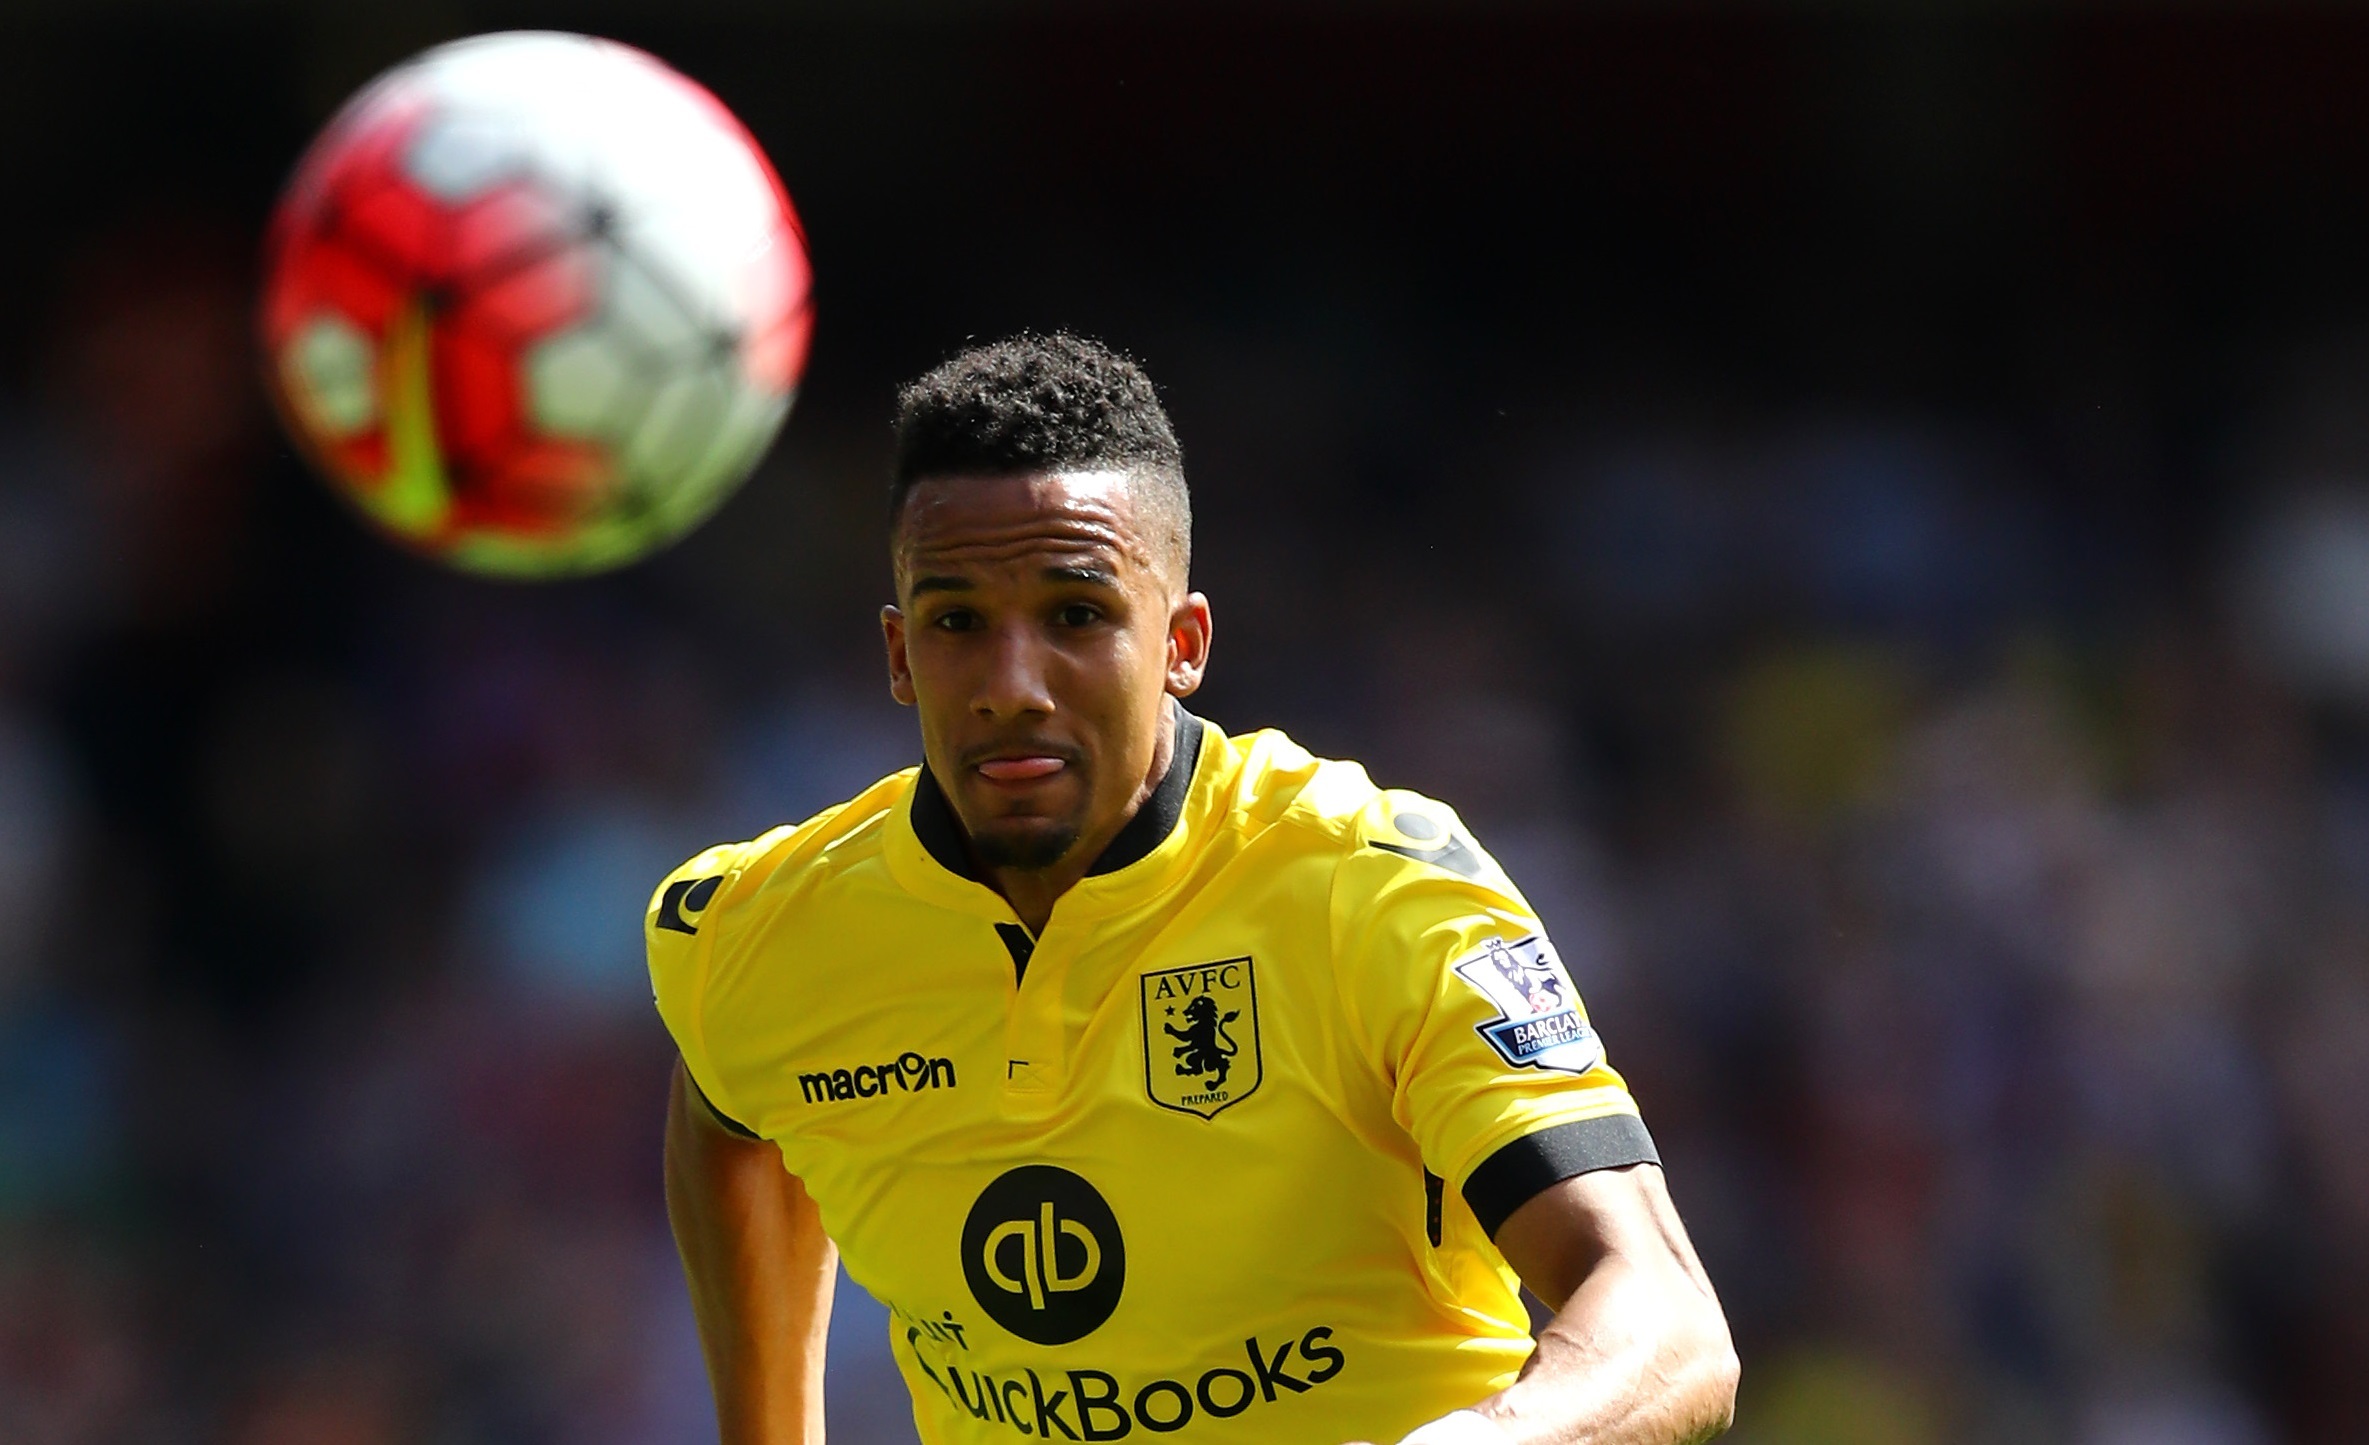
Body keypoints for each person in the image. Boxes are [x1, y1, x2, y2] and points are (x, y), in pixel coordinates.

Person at [650, 333, 1738, 1445]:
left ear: (1180, 641)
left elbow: (1665, 1321)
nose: (1010, 685)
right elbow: (726, 1103)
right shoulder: (762, 925)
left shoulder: (1366, 891)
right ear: (896, 653)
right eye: (956, 622)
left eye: (1075, 615)